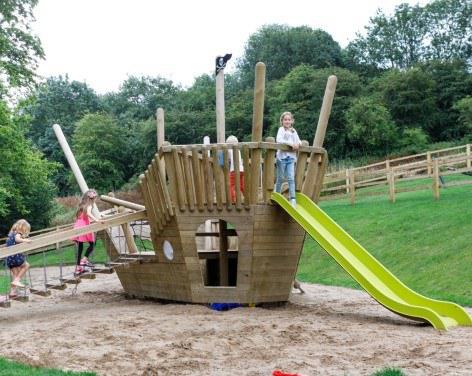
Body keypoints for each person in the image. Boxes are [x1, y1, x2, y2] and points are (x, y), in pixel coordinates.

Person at [71, 189, 103, 275]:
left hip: (78, 225)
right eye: (95, 197)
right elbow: (88, 213)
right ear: (92, 198)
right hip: (84, 226)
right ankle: (84, 260)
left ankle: (78, 267)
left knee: (80, 247)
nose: (95, 199)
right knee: (92, 243)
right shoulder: (89, 205)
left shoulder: (82, 205)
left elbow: (83, 216)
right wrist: (96, 220)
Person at [275, 111, 301, 207]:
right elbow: (279, 140)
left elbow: (298, 140)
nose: (287, 121)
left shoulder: (293, 131)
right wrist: (291, 144)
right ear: (282, 121)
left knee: (291, 178)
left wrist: (298, 144)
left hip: (290, 158)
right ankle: (277, 194)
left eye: (289, 120)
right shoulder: (281, 130)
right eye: (285, 120)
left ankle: (292, 198)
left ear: (292, 121)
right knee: (280, 178)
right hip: (282, 158)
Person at [5, 219, 32, 296]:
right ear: (23, 228)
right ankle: (17, 281)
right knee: (26, 265)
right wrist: (26, 240)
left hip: (10, 260)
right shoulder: (18, 233)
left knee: (16, 275)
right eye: (26, 230)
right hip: (15, 257)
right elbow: (18, 239)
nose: (26, 232)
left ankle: (12, 292)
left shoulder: (10, 235)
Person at [226, 135, 245, 203]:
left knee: (231, 186)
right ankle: (247, 197)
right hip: (241, 170)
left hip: (234, 170)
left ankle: (233, 201)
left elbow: (227, 158)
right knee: (241, 186)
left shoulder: (229, 149)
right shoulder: (238, 150)